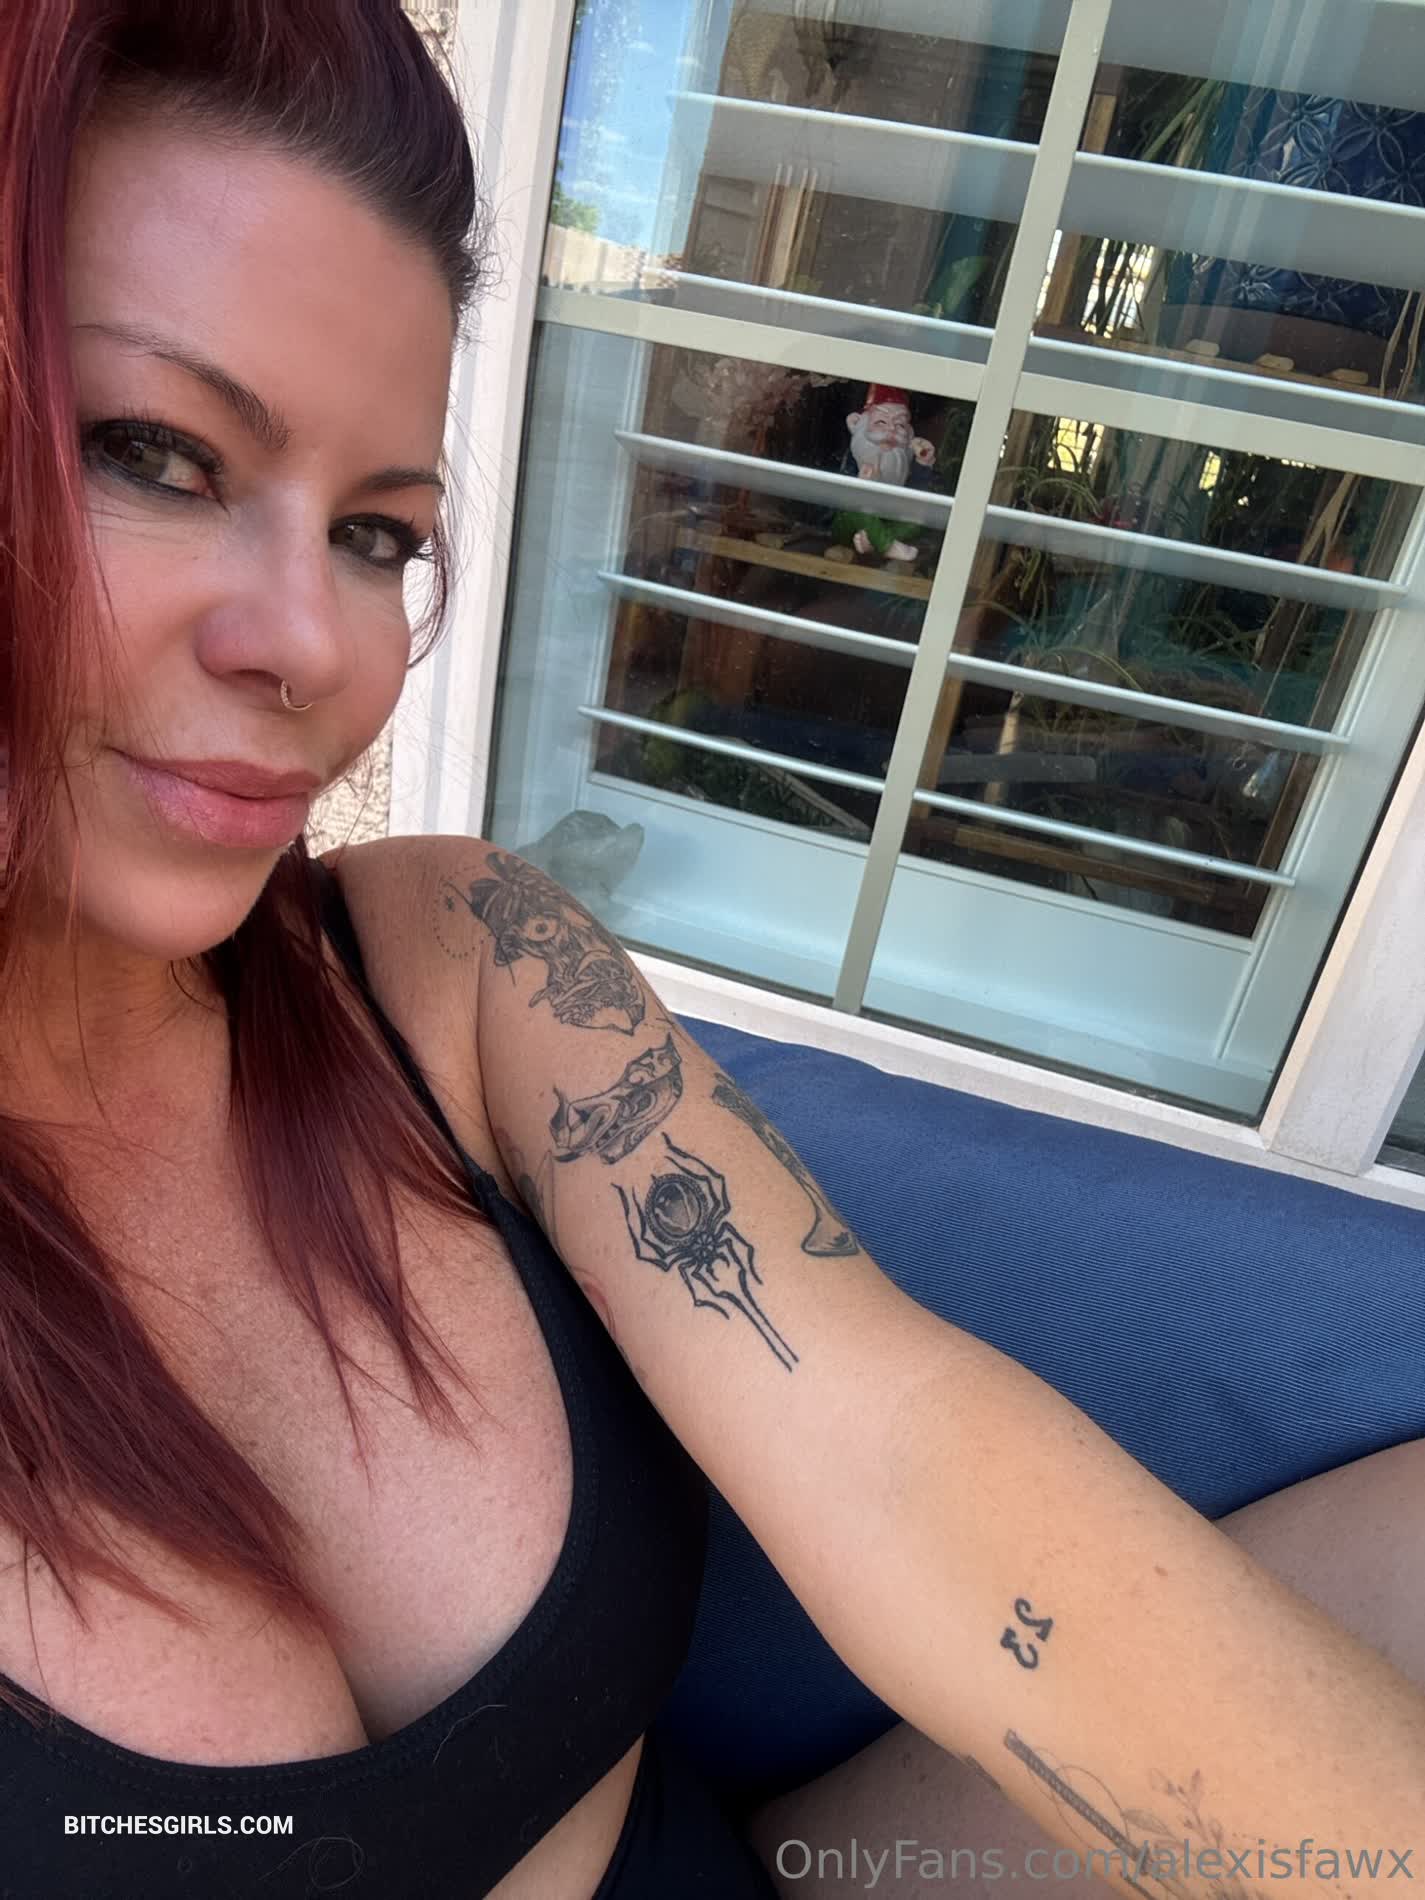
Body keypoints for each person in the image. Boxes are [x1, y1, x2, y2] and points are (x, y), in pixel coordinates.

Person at [0, 5, 1421, 1897]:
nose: (316, 646)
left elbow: (899, 1448)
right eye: (157, 453)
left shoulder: (450, 960)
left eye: (375, 534)